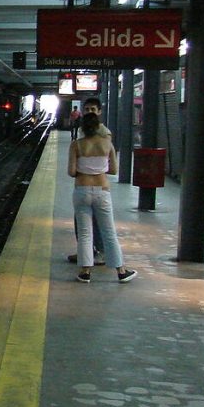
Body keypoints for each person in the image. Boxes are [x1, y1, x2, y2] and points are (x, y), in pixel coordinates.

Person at [68, 112, 137, 283]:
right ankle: (121, 271)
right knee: (109, 232)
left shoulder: (76, 145)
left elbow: (71, 172)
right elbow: (113, 170)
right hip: (102, 190)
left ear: (82, 128)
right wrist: (98, 168)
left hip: (82, 190)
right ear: (98, 127)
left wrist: (85, 169)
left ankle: (85, 272)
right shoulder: (107, 145)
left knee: (85, 233)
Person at [67, 97, 109, 265]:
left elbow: (108, 163)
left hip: (92, 186)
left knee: (95, 224)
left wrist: (85, 169)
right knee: (82, 223)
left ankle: (97, 253)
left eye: (93, 110)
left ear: (99, 112)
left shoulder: (104, 133)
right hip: (91, 187)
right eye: (87, 109)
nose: (89, 112)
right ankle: (86, 253)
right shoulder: (84, 131)